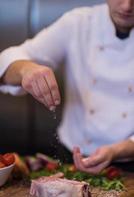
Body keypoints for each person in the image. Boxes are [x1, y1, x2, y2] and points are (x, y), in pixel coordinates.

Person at [0, 0, 134, 174]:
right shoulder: (79, 22)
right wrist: (25, 69)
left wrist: (118, 150)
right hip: (72, 156)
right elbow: (7, 60)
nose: (127, 6)